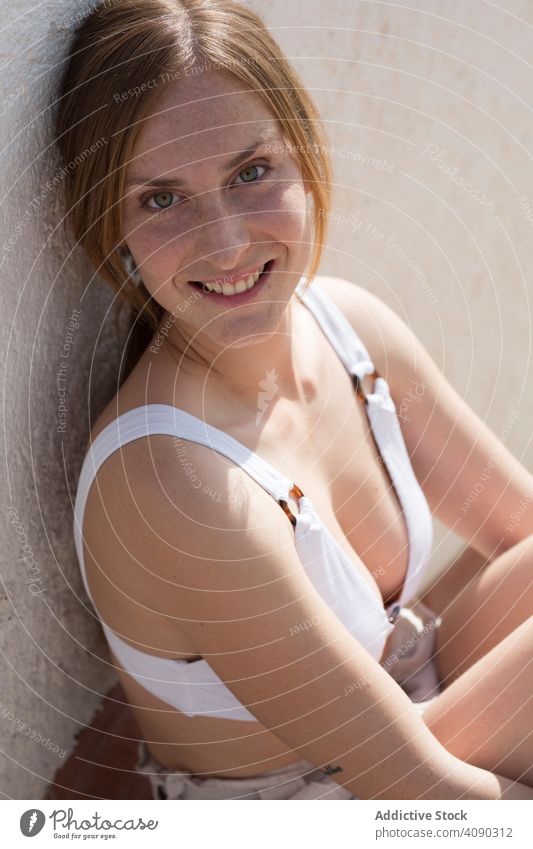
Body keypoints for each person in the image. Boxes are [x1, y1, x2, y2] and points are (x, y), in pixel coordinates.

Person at [55, 0, 533, 800]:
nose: (230, 242)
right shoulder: (172, 484)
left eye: (250, 173)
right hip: (310, 803)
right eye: (161, 199)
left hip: (404, 714)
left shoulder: (348, 325)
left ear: (302, 155)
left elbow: (519, 530)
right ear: (112, 224)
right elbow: (414, 789)